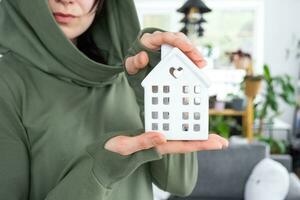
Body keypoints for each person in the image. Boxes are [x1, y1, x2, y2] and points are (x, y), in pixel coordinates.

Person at [0, 0, 228, 199]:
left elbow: (179, 183)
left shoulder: (129, 70)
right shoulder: (7, 83)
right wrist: (101, 169)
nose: (67, 0)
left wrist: (154, 83)